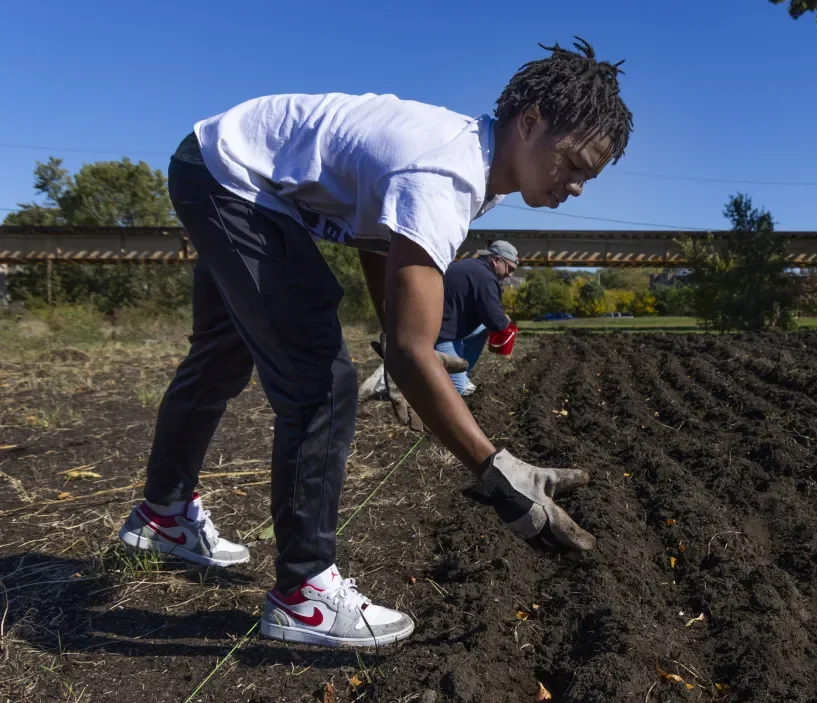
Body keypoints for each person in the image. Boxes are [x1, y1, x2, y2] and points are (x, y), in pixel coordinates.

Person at [116, 38, 633, 649]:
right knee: (321, 383)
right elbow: (417, 350)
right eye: (573, 165)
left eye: (587, 179)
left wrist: (396, 343)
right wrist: (497, 470)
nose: (575, 187)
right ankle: (304, 595)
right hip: (233, 180)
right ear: (531, 121)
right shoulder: (446, 172)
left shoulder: (473, 157)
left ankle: (164, 516)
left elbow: (377, 240)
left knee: (222, 356)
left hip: (215, 161)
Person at [435, 240, 520, 396]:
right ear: (496, 260)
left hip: (448, 326)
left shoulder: (471, 266)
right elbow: (496, 322)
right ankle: (430, 383)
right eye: (510, 268)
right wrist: (505, 320)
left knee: (481, 330)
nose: (510, 274)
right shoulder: (485, 277)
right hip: (441, 334)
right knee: (458, 391)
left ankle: (462, 373)